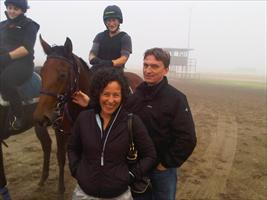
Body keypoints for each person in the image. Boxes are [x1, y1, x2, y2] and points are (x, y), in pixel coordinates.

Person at [72, 48, 197, 200]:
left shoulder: (176, 99)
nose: (148, 70)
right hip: (137, 166)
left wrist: (165, 163)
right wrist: (91, 104)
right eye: (146, 65)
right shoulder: (136, 95)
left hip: (161, 171)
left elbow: (187, 138)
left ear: (165, 70)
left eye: (154, 66)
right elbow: (115, 112)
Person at [68, 68, 156, 199]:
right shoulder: (84, 118)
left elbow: (150, 155)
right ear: (98, 94)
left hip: (118, 195)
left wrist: (130, 175)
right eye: (106, 94)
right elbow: (72, 148)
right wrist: (77, 170)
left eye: (116, 95)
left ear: (122, 96)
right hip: (84, 194)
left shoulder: (132, 121)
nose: (110, 100)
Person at [0, 0, 40, 130]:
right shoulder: (2, 25)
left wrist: (5, 58)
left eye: (15, 9)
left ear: (23, 10)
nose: (11, 11)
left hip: (23, 63)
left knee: (6, 79)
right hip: (3, 61)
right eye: (10, 8)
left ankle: (19, 115)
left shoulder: (30, 25)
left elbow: (26, 48)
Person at [89, 5, 132, 72]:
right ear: (105, 22)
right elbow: (92, 54)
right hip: (97, 69)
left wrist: (111, 63)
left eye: (114, 20)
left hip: (116, 71)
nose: (111, 24)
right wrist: (95, 60)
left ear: (119, 21)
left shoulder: (125, 37)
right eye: (109, 20)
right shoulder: (99, 36)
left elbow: (124, 58)